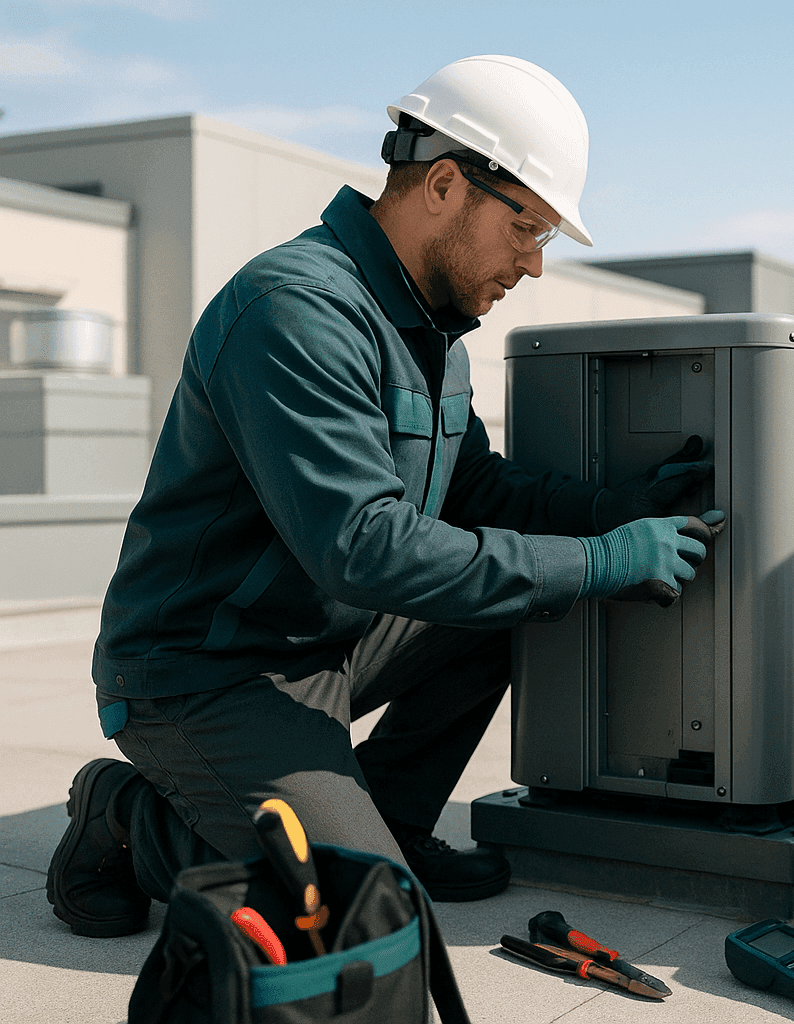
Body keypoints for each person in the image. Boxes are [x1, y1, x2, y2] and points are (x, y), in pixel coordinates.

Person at [47, 55, 722, 937]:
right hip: (206, 671)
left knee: (517, 602)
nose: (533, 263)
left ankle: (391, 827)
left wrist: (608, 511)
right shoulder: (294, 310)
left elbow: (473, 487)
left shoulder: (433, 329)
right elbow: (363, 545)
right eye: (528, 229)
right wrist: (601, 561)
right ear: (444, 183)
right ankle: (128, 817)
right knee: (358, 922)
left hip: (325, 640)